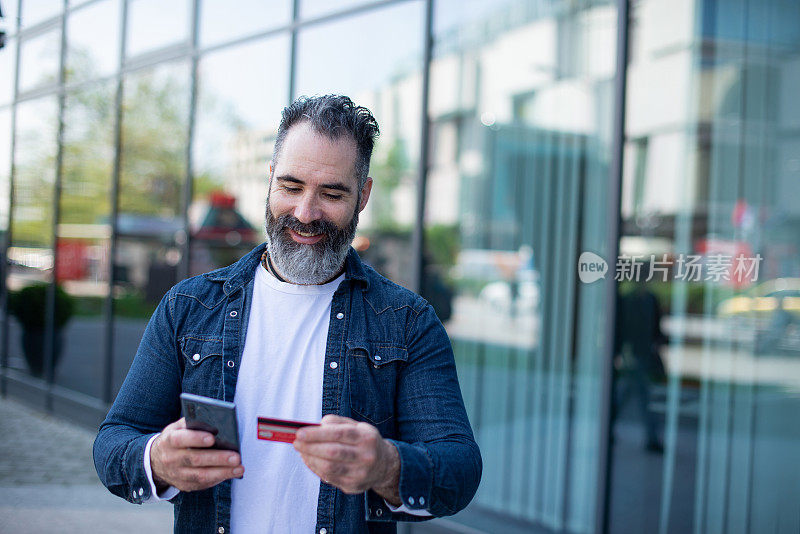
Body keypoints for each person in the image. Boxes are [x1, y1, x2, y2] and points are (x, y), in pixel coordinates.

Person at [93, 94, 482, 534]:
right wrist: (157, 459)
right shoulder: (189, 307)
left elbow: (460, 470)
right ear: (271, 176)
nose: (305, 212)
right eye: (291, 187)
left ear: (364, 195)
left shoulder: (407, 322)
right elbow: (113, 443)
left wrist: (388, 466)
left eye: (332, 193)